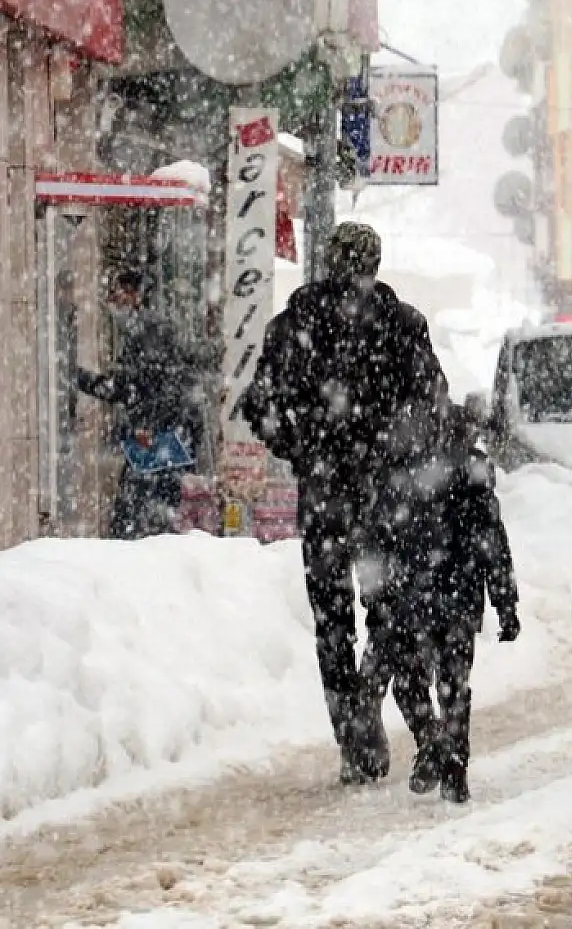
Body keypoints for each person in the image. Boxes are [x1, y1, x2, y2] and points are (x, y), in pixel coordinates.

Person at [239, 222, 448, 785]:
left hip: (324, 495)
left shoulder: (293, 325)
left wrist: (301, 447)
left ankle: (352, 736)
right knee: (387, 610)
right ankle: (368, 697)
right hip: (386, 498)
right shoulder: (404, 326)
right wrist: (400, 452)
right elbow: (434, 406)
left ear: (331, 260)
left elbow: (257, 404)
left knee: (331, 619)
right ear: (377, 262)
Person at [362, 402, 521, 804]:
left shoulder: (399, 474)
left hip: (410, 599)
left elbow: (377, 539)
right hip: (459, 599)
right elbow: (493, 542)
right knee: (454, 685)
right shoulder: (473, 473)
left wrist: (375, 595)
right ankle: (454, 765)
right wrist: (505, 602)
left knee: (410, 683)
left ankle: (433, 741)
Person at [75, 270, 197, 540]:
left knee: (135, 521)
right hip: (163, 439)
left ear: (134, 295)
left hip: (155, 442)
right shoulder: (152, 327)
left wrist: (80, 379)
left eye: (116, 292)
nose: (111, 300)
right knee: (152, 518)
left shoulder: (146, 331)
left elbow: (133, 387)